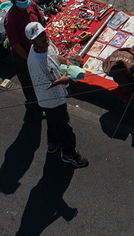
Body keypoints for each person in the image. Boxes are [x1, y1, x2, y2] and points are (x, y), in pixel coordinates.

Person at [25, 21, 89, 168]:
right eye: (38, 37)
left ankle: (53, 144)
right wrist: (66, 79)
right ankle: (69, 154)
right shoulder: (36, 63)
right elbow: (46, 85)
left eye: (43, 33)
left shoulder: (46, 44)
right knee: (65, 128)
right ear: (32, 42)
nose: (43, 37)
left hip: (58, 95)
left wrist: (67, 61)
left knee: (54, 122)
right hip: (51, 101)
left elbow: (54, 55)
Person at [4, 0, 46, 118]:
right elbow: (15, 45)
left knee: (41, 80)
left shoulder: (32, 5)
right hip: (24, 55)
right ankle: (35, 110)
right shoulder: (10, 19)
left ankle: (44, 103)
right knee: (29, 85)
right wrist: (30, 60)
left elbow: (41, 21)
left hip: (37, 50)